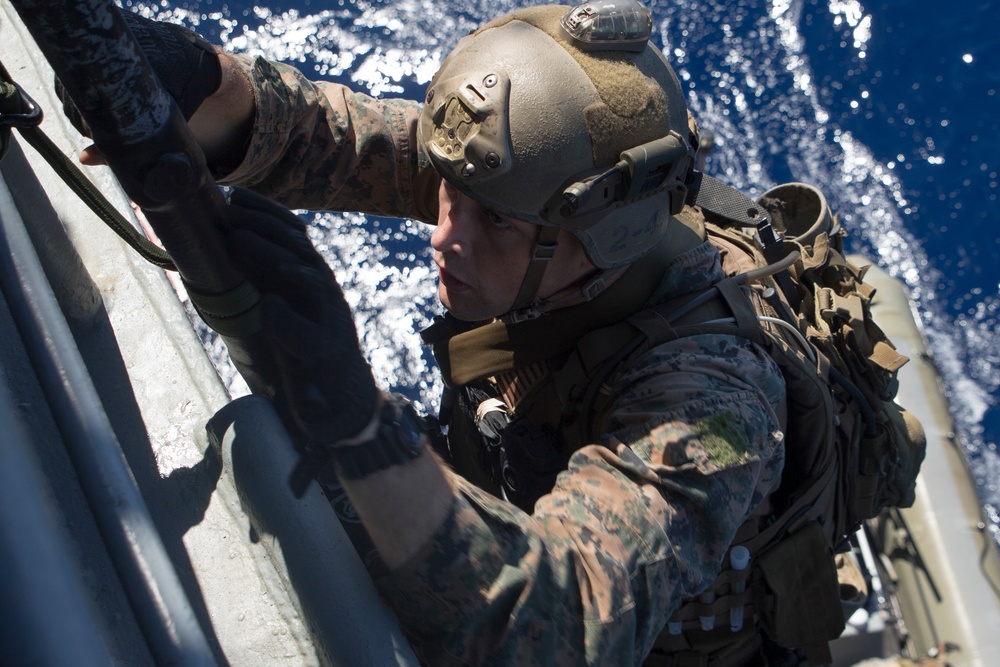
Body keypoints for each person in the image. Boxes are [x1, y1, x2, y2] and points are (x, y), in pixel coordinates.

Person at [70, 2, 793, 664]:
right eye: (449, 192)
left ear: (595, 239)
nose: (445, 236)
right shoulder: (514, 192)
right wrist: (191, 77)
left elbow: (560, 628)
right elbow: (329, 137)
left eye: (495, 223)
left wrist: (361, 425)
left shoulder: (715, 403)